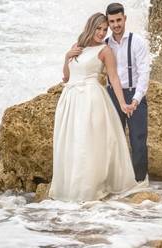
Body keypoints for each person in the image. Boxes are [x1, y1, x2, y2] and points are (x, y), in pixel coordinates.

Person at [49, 12, 139, 202]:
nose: (101, 33)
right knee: (72, 143)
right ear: (91, 27)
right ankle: (71, 189)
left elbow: (113, 78)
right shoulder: (77, 47)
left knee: (86, 143)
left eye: (104, 30)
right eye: (99, 28)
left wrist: (123, 103)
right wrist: (67, 57)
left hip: (91, 99)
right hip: (70, 98)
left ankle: (88, 190)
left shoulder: (105, 50)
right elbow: (66, 77)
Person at [66, 2, 151, 184]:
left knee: (138, 140)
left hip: (134, 93)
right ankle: (115, 181)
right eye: (111, 22)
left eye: (118, 20)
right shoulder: (102, 44)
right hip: (110, 96)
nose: (115, 25)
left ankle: (139, 182)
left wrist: (135, 100)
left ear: (125, 18)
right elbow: (92, 68)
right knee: (112, 140)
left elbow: (144, 74)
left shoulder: (138, 42)